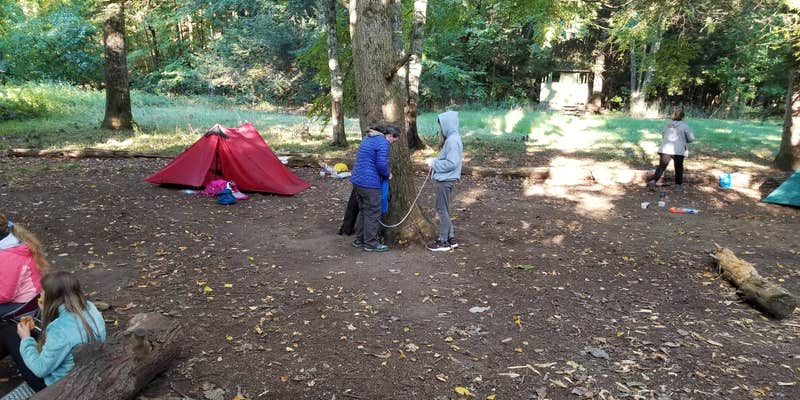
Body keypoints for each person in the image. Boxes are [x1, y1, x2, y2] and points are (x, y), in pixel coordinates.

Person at [17, 271, 106, 388]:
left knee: (9, 335)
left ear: (50, 299)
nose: (40, 296)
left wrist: (26, 339)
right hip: (92, 370)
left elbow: (40, 369)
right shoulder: (90, 307)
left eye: (42, 294)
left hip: (64, 386)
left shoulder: (59, 329)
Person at [0, 213, 47, 396]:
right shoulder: (14, 244)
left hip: (21, 308)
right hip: (30, 302)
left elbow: (4, 294)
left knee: (7, 334)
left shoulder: (7, 256)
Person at [349, 123, 400, 252]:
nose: (392, 143)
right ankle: (371, 243)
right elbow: (381, 164)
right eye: (393, 140)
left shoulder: (368, 137)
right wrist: (388, 174)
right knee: (372, 212)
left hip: (357, 181)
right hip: (370, 183)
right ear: (389, 135)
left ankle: (359, 239)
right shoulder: (383, 143)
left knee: (363, 210)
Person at [426, 111, 463, 252]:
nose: (440, 129)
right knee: (444, 209)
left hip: (446, 180)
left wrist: (433, 163)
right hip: (447, 179)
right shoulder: (453, 139)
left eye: (441, 125)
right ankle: (450, 238)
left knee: (441, 209)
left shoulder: (452, 141)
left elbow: (452, 163)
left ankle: (443, 241)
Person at [647, 109, 695, 193]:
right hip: (679, 150)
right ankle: (678, 187)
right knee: (679, 168)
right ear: (683, 116)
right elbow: (691, 139)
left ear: (673, 115)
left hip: (666, 149)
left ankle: (653, 181)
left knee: (661, 167)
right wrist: (683, 140)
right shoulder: (684, 126)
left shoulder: (667, 125)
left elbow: (663, 135)